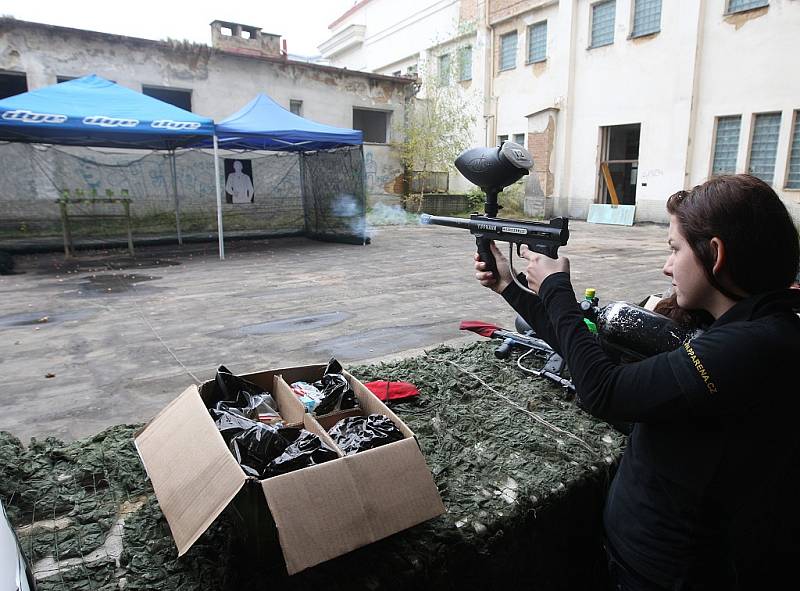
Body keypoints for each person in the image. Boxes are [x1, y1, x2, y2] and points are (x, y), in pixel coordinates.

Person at [473, 174, 800, 590]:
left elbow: (605, 391)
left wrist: (557, 290)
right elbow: (595, 363)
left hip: (665, 574)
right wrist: (510, 287)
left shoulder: (752, 345)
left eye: (675, 249)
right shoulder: (751, 328)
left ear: (714, 253)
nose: (667, 266)